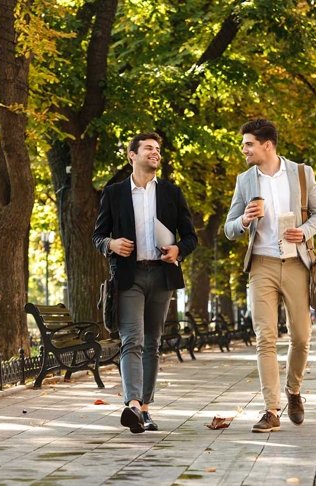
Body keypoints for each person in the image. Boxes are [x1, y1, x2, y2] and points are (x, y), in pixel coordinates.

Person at [224, 119, 316, 432]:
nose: (244, 150)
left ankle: (293, 390)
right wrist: (243, 219)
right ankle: (271, 410)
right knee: (265, 337)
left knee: (301, 337)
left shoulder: (301, 173)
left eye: (248, 144)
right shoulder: (245, 181)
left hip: (297, 264)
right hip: (262, 264)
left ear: (266, 145)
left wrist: (304, 230)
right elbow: (229, 229)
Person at [93, 132, 197, 434]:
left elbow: (190, 236)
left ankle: (146, 410)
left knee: (152, 342)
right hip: (129, 277)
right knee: (132, 340)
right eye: (149, 148)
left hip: (162, 276)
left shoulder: (170, 192)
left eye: (158, 149)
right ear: (132, 156)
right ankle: (133, 404)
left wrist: (178, 249)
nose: (156, 153)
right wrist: (111, 245)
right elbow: (98, 236)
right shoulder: (114, 194)